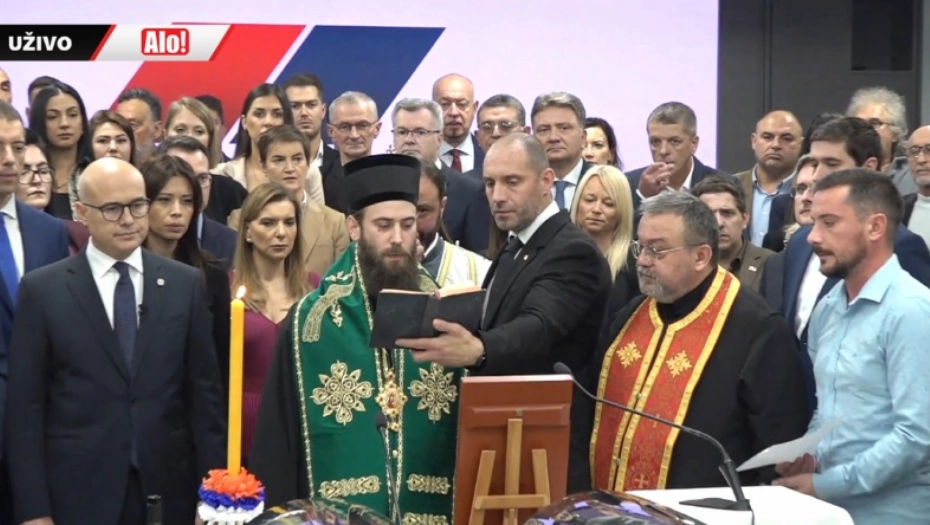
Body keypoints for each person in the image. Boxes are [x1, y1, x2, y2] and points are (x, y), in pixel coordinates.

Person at [5, 157, 226, 524]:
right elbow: (26, 411)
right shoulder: (43, 291)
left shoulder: (183, 284)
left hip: (169, 491)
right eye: (112, 209)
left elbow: (205, 402)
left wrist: (213, 496)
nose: (128, 219)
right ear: (82, 212)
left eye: (137, 205)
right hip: (77, 494)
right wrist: (34, 510)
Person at [250, 154, 464, 524]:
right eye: (383, 225)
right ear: (354, 227)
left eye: (407, 225)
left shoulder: (443, 313)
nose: (397, 238)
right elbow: (279, 443)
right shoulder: (310, 321)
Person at [569, 190, 809, 493]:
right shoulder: (629, 317)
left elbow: (776, 450)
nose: (642, 261)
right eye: (640, 247)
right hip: (612, 504)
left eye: (657, 250)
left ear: (701, 257)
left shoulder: (759, 330)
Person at [774, 169, 930, 524]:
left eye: (829, 223)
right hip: (831, 511)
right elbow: (830, 408)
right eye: (814, 222)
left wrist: (826, 485)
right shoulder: (828, 309)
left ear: (875, 227)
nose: (813, 236)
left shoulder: (912, 311)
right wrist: (808, 454)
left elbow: (917, 437)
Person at [398, 133, 611, 376]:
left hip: (547, 399)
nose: (498, 196)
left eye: (512, 182)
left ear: (546, 181)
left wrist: (479, 349)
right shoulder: (516, 244)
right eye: (490, 184)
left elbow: (538, 326)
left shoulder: (574, 251)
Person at [231, 182, 316, 464]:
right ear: (247, 231)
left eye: (289, 222)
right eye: (268, 223)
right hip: (245, 419)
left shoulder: (316, 288)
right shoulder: (226, 290)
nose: (281, 232)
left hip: (303, 416)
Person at [416, 164, 491, 286]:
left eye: (422, 211)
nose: (412, 224)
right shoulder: (380, 273)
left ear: (442, 206)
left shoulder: (479, 272)